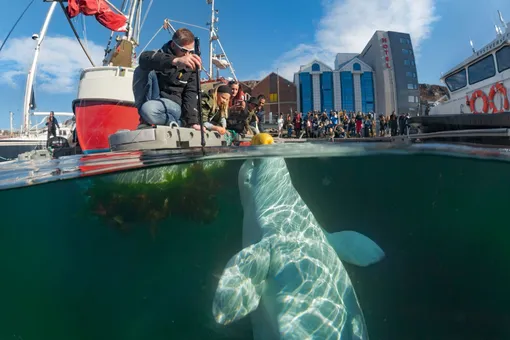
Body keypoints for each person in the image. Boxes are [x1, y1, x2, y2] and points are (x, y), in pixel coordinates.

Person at [133, 28, 203, 131]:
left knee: (148, 110)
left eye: (191, 52)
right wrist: (175, 61)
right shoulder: (160, 53)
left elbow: (191, 92)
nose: (188, 55)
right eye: (184, 51)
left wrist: (192, 122)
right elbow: (143, 58)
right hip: (155, 100)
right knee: (141, 69)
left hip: (174, 104)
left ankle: (177, 123)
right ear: (173, 45)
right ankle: (145, 119)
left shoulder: (192, 65)